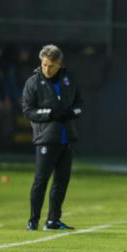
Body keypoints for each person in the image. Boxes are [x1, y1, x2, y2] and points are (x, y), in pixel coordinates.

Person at [22, 44, 82, 231]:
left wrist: (73, 112)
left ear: (59, 64)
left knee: (61, 182)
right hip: (46, 139)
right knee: (41, 180)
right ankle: (33, 220)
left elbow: (80, 103)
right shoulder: (33, 82)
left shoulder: (69, 79)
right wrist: (50, 114)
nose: (47, 69)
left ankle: (53, 220)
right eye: (44, 64)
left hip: (67, 138)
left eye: (51, 65)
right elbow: (28, 110)